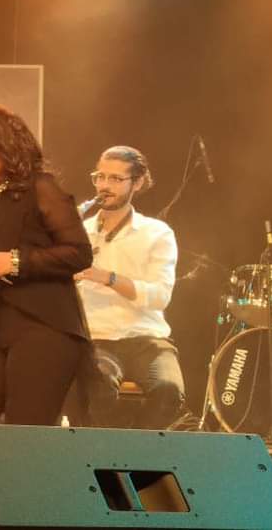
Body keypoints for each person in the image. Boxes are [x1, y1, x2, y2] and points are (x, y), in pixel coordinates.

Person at [0, 105, 93, 439]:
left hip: (44, 325)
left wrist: (16, 261)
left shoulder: (41, 188)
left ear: (6, 146)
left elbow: (79, 253)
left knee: (24, 432)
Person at [73, 145, 185, 429]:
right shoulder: (79, 231)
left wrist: (109, 278)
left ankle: (140, 449)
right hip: (97, 339)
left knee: (169, 389)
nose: (104, 186)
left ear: (137, 183)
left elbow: (160, 297)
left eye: (115, 179)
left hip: (147, 340)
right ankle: (108, 451)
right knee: (98, 384)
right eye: (100, 177)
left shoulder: (157, 233)